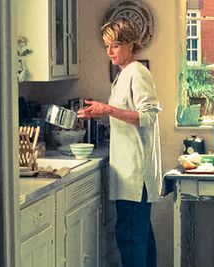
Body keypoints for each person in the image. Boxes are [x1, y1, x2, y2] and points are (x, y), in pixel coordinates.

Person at [77, 18, 162, 267]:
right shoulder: (124, 74)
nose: (109, 52)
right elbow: (121, 114)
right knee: (141, 238)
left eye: (114, 46)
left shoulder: (137, 73)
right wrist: (102, 112)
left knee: (131, 238)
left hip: (135, 175)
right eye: (106, 47)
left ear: (129, 44)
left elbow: (148, 117)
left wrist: (108, 110)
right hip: (128, 172)